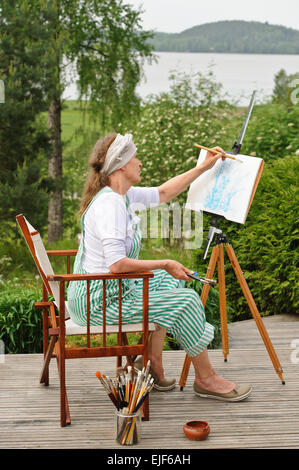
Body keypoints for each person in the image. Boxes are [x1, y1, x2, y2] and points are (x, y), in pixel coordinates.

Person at [67, 133, 252, 402]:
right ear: (121, 165)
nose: (140, 163)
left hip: (108, 290)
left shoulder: (122, 195)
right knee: (186, 300)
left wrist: (203, 167)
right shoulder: (110, 204)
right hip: (99, 303)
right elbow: (117, 264)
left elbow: (164, 193)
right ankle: (206, 379)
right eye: (135, 158)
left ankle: (152, 364)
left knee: (169, 282)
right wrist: (166, 262)